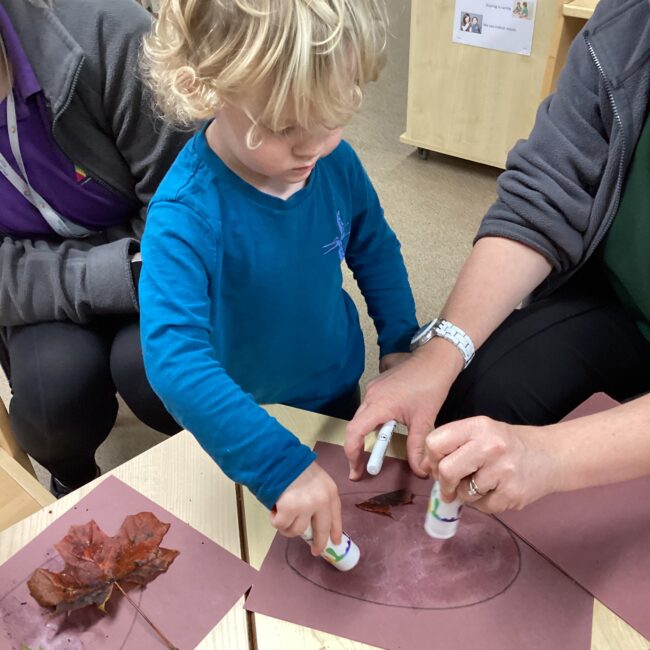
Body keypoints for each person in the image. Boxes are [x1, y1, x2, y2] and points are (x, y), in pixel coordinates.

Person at [345, 0, 650, 513]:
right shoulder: (630, 20)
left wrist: (551, 456)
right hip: (622, 304)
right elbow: (547, 191)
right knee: (473, 400)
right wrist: (440, 355)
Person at [139, 0, 418, 555]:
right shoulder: (185, 214)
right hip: (249, 418)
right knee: (265, 551)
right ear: (206, 87)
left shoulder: (333, 164)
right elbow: (175, 360)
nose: (313, 146)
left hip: (337, 387)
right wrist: (275, 464)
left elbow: (376, 248)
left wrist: (401, 344)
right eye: (285, 126)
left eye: (332, 119)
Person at [0, 0, 188, 497]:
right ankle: (77, 491)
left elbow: (185, 198)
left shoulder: (110, 29)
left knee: (157, 371)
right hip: (55, 279)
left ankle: (214, 466)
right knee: (48, 407)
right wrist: (109, 273)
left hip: (148, 248)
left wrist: (132, 267)